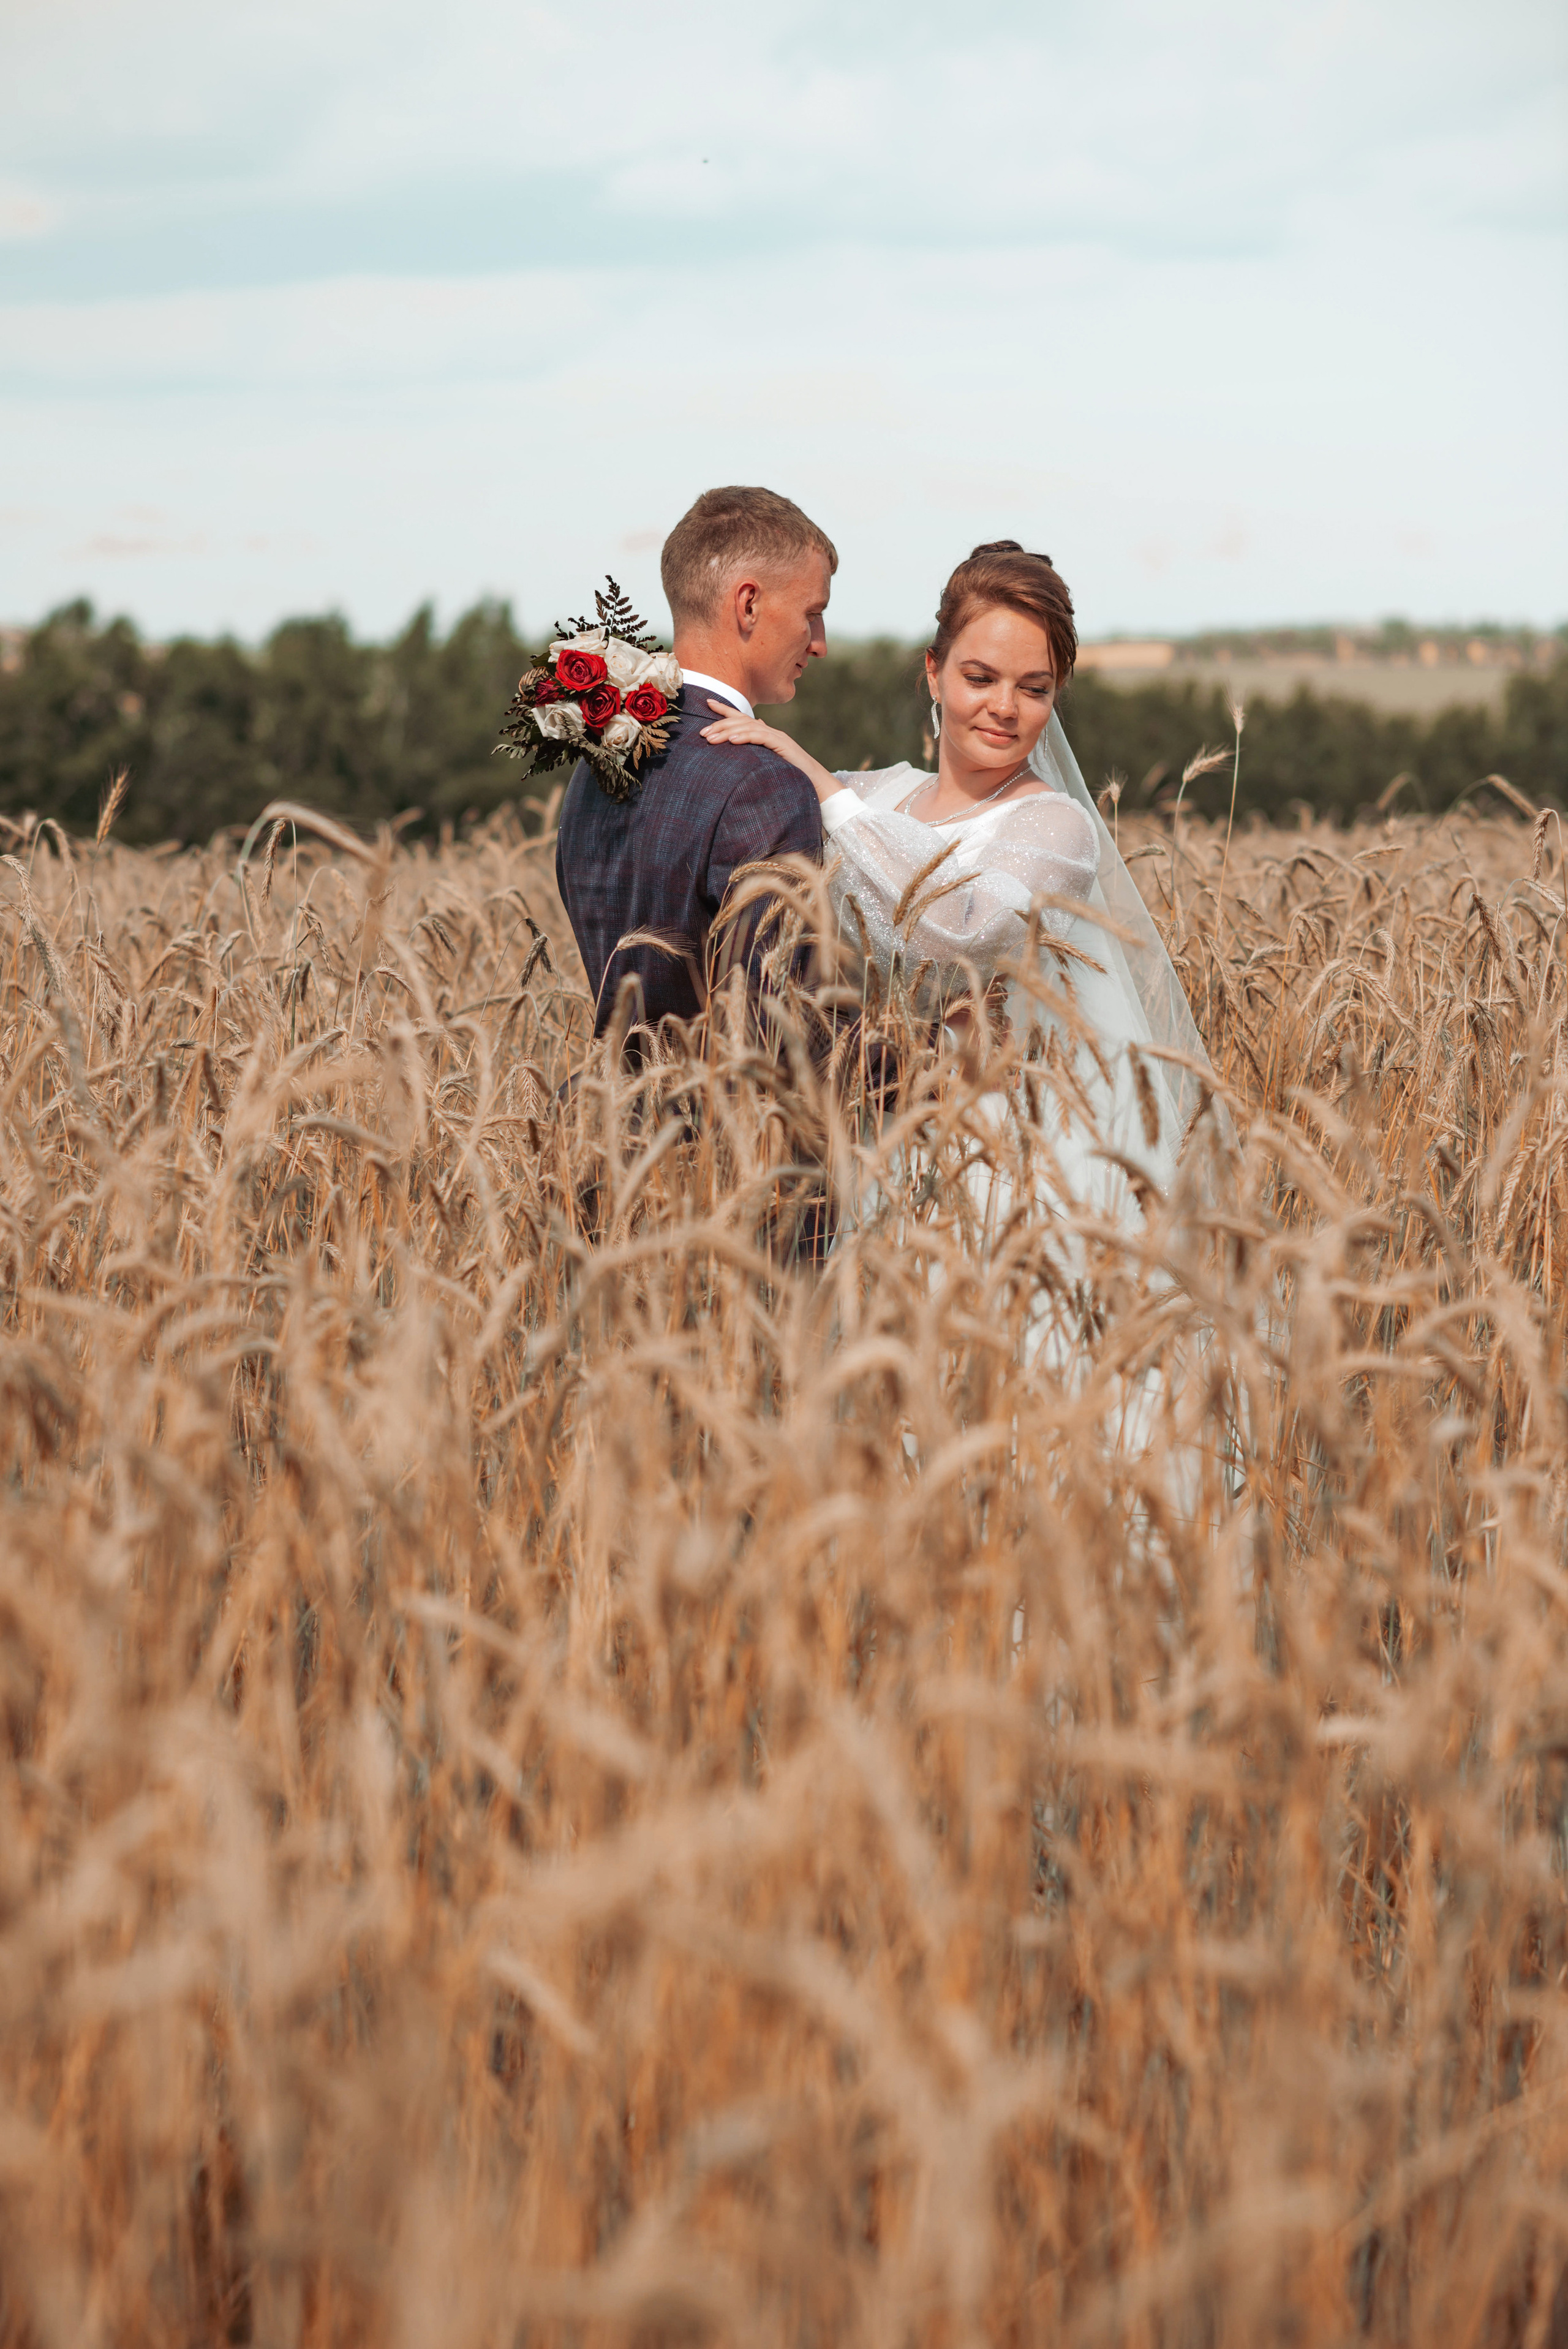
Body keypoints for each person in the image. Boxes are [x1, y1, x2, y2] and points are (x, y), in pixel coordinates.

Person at [698, 539, 1215, 1231]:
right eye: (981, 677)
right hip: (840, 1160)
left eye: (1034, 689)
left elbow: (965, 936)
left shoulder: (1052, 827)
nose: (1005, 706)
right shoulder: (873, 796)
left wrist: (820, 785)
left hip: (984, 1178)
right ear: (934, 672)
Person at [554, 485, 836, 1041]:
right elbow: (782, 1039)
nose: (820, 642)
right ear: (748, 604)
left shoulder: (598, 761)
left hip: (604, 1121)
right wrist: (941, 1045)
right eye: (813, 613)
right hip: (727, 1127)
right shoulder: (764, 785)